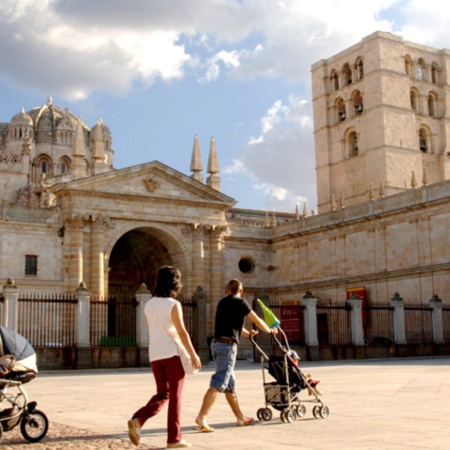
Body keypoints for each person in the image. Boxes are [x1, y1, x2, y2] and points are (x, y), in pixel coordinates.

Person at [128, 266, 201, 449]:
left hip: (155, 354)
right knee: (175, 397)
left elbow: (150, 327)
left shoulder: (149, 304)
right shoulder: (173, 304)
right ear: (175, 283)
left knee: (163, 393)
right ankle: (174, 439)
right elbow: (182, 333)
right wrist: (193, 354)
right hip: (172, 354)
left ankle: (139, 419)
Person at [195, 278, 277, 432]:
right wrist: (270, 330)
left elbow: (234, 326)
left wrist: (247, 334)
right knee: (219, 382)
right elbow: (257, 320)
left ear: (227, 290)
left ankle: (240, 417)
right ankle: (202, 416)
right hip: (227, 346)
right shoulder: (241, 303)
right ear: (241, 290)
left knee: (229, 384)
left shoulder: (222, 302)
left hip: (217, 344)